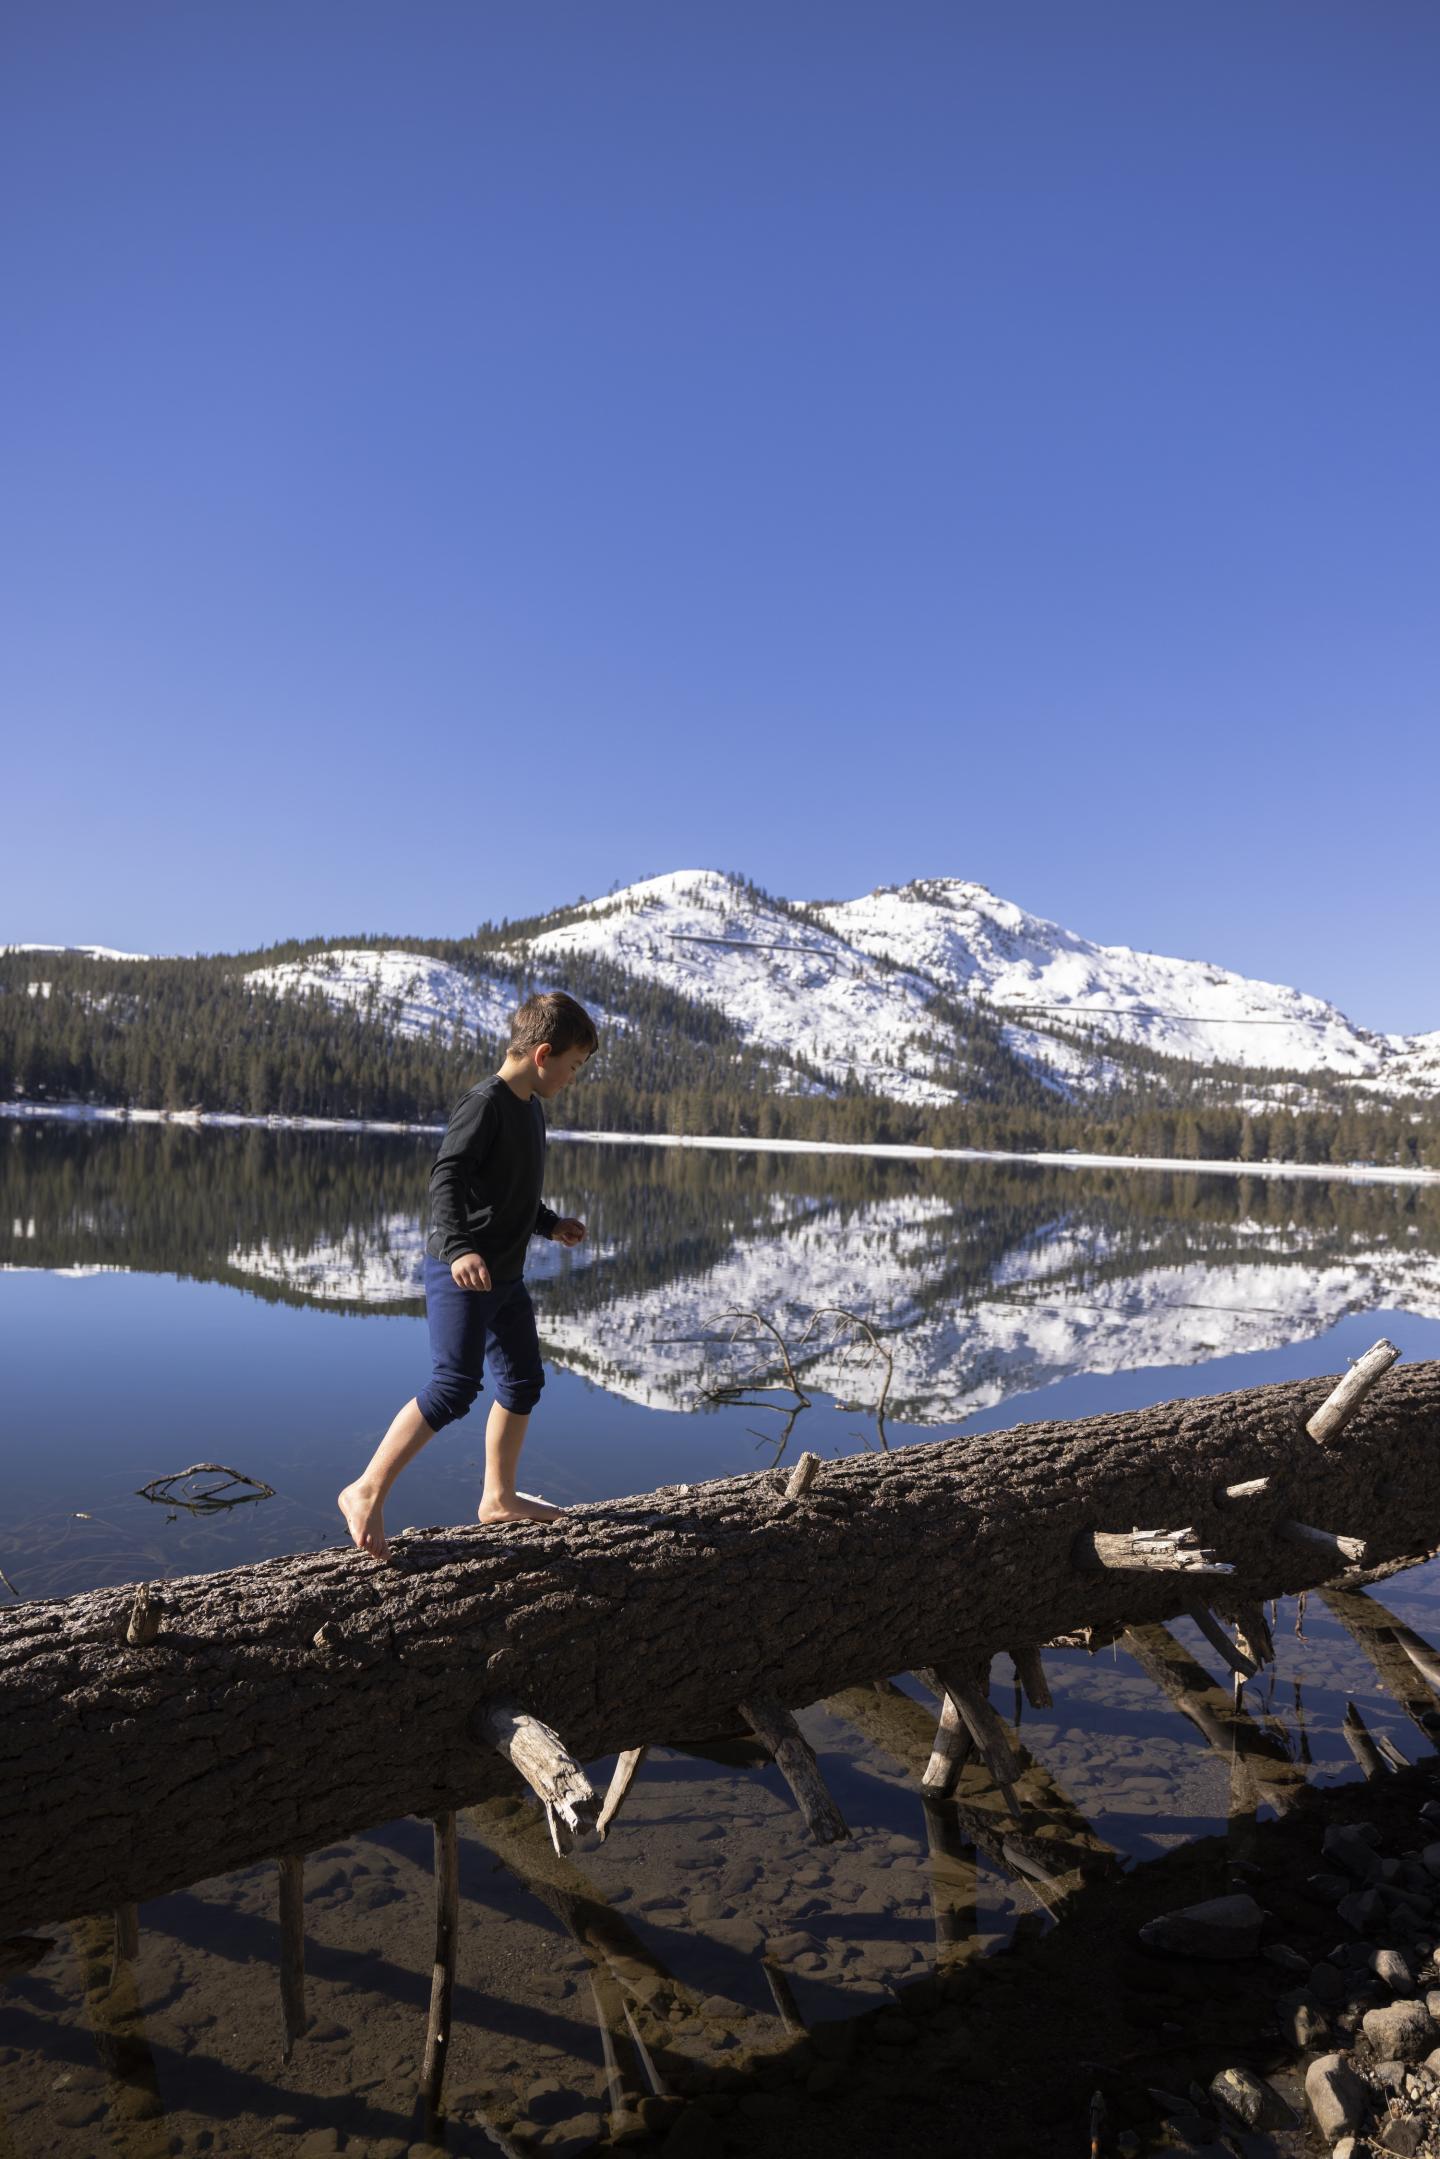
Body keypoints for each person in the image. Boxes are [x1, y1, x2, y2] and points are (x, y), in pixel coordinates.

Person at [338, 989, 597, 1561]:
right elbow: (447, 1178)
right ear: (543, 1053)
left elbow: (508, 1191)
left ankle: (498, 1498)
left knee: (524, 1381)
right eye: (573, 1066)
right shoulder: (485, 1102)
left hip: (504, 1275)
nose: (573, 1078)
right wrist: (457, 1249)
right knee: (455, 1385)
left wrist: (549, 1223)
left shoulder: (531, 1108)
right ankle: (365, 1489)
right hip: (462, 1271)